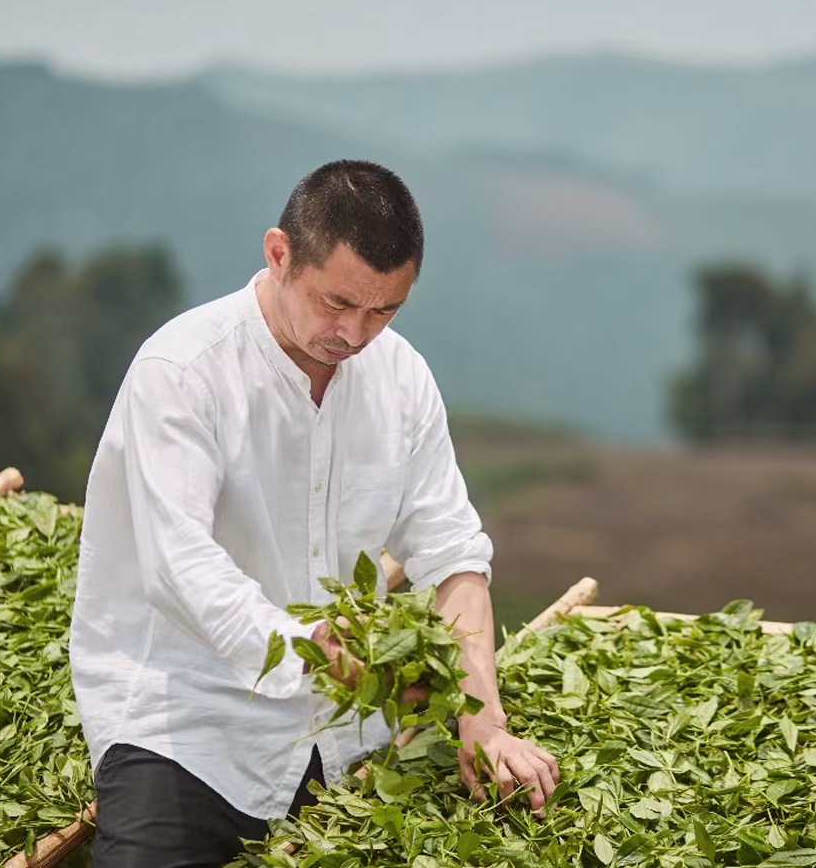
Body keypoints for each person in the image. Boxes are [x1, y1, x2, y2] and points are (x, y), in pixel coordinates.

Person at [69, 160, 559, 868]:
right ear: (279, 254)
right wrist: (310, 646)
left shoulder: (400, 377)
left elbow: (451, 551)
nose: (355, 334)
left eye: (383, 310)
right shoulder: (183, 372)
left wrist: (484, 720)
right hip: (190, 719)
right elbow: (179, 567)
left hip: (346, 726)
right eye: (337, 302)